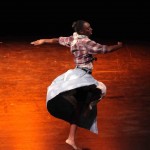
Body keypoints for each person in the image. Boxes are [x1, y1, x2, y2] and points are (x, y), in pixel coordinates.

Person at [31, 20, 123, 150]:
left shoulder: (73, 39)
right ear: (82, 31)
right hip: (82, 77)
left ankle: (71, 138)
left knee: (80, 106)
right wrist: (119, 46)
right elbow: (105, 49)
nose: (91, 29)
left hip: (78, 74)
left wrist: (43, 40)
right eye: (88, 28)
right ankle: (85, 110)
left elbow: (57, 40)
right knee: (98, 91)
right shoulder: (86, 42)